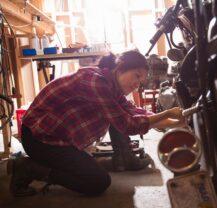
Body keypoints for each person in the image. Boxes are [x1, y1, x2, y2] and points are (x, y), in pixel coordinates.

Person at [8, 50, 185, 197]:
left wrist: (173, 122)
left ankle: (123, 158)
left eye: (140, 81)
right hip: (40, 139)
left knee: (93, 168)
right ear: (121, 68)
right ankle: (32, 169)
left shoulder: (112, 86)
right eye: (136, 76)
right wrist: (168, 113)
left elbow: (133, 112)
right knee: (97, 182)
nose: (137, 84)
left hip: (59, 139)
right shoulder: (96, 82)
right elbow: (127, 124)